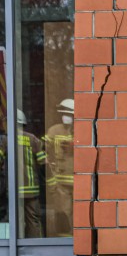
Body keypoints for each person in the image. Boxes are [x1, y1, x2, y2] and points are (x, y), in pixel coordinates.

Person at [44, 99, 75, 237]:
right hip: (61, 181)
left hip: (79, 180)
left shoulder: (81, 130)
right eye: (63, 114)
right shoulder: (54, 130)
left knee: (81, 211)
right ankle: (64, 239)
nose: (65, 117)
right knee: (63, 211)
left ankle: (80, 239)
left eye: (68, 114)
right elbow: (43, 148)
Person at [15, 109, 46, 238]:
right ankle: (37, 245)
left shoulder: (7, 140)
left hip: (14, 189)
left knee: (17, 220)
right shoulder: (32, 139)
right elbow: (42, 162)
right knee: (33, 219)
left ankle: (19, 245)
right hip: (31, 188)